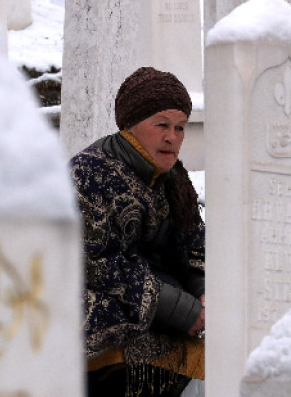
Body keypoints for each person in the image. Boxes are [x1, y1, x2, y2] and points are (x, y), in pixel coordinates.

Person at [70, 67, 205, 397]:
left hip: (157, 303)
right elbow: (94, 261)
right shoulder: (90, 173)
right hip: (89, 314)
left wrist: (203, 292)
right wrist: (183, 309)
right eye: (161, 124)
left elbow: (193, 243)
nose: (172, 136)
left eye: (180, 127)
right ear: (131, 124)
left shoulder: (175, 181)